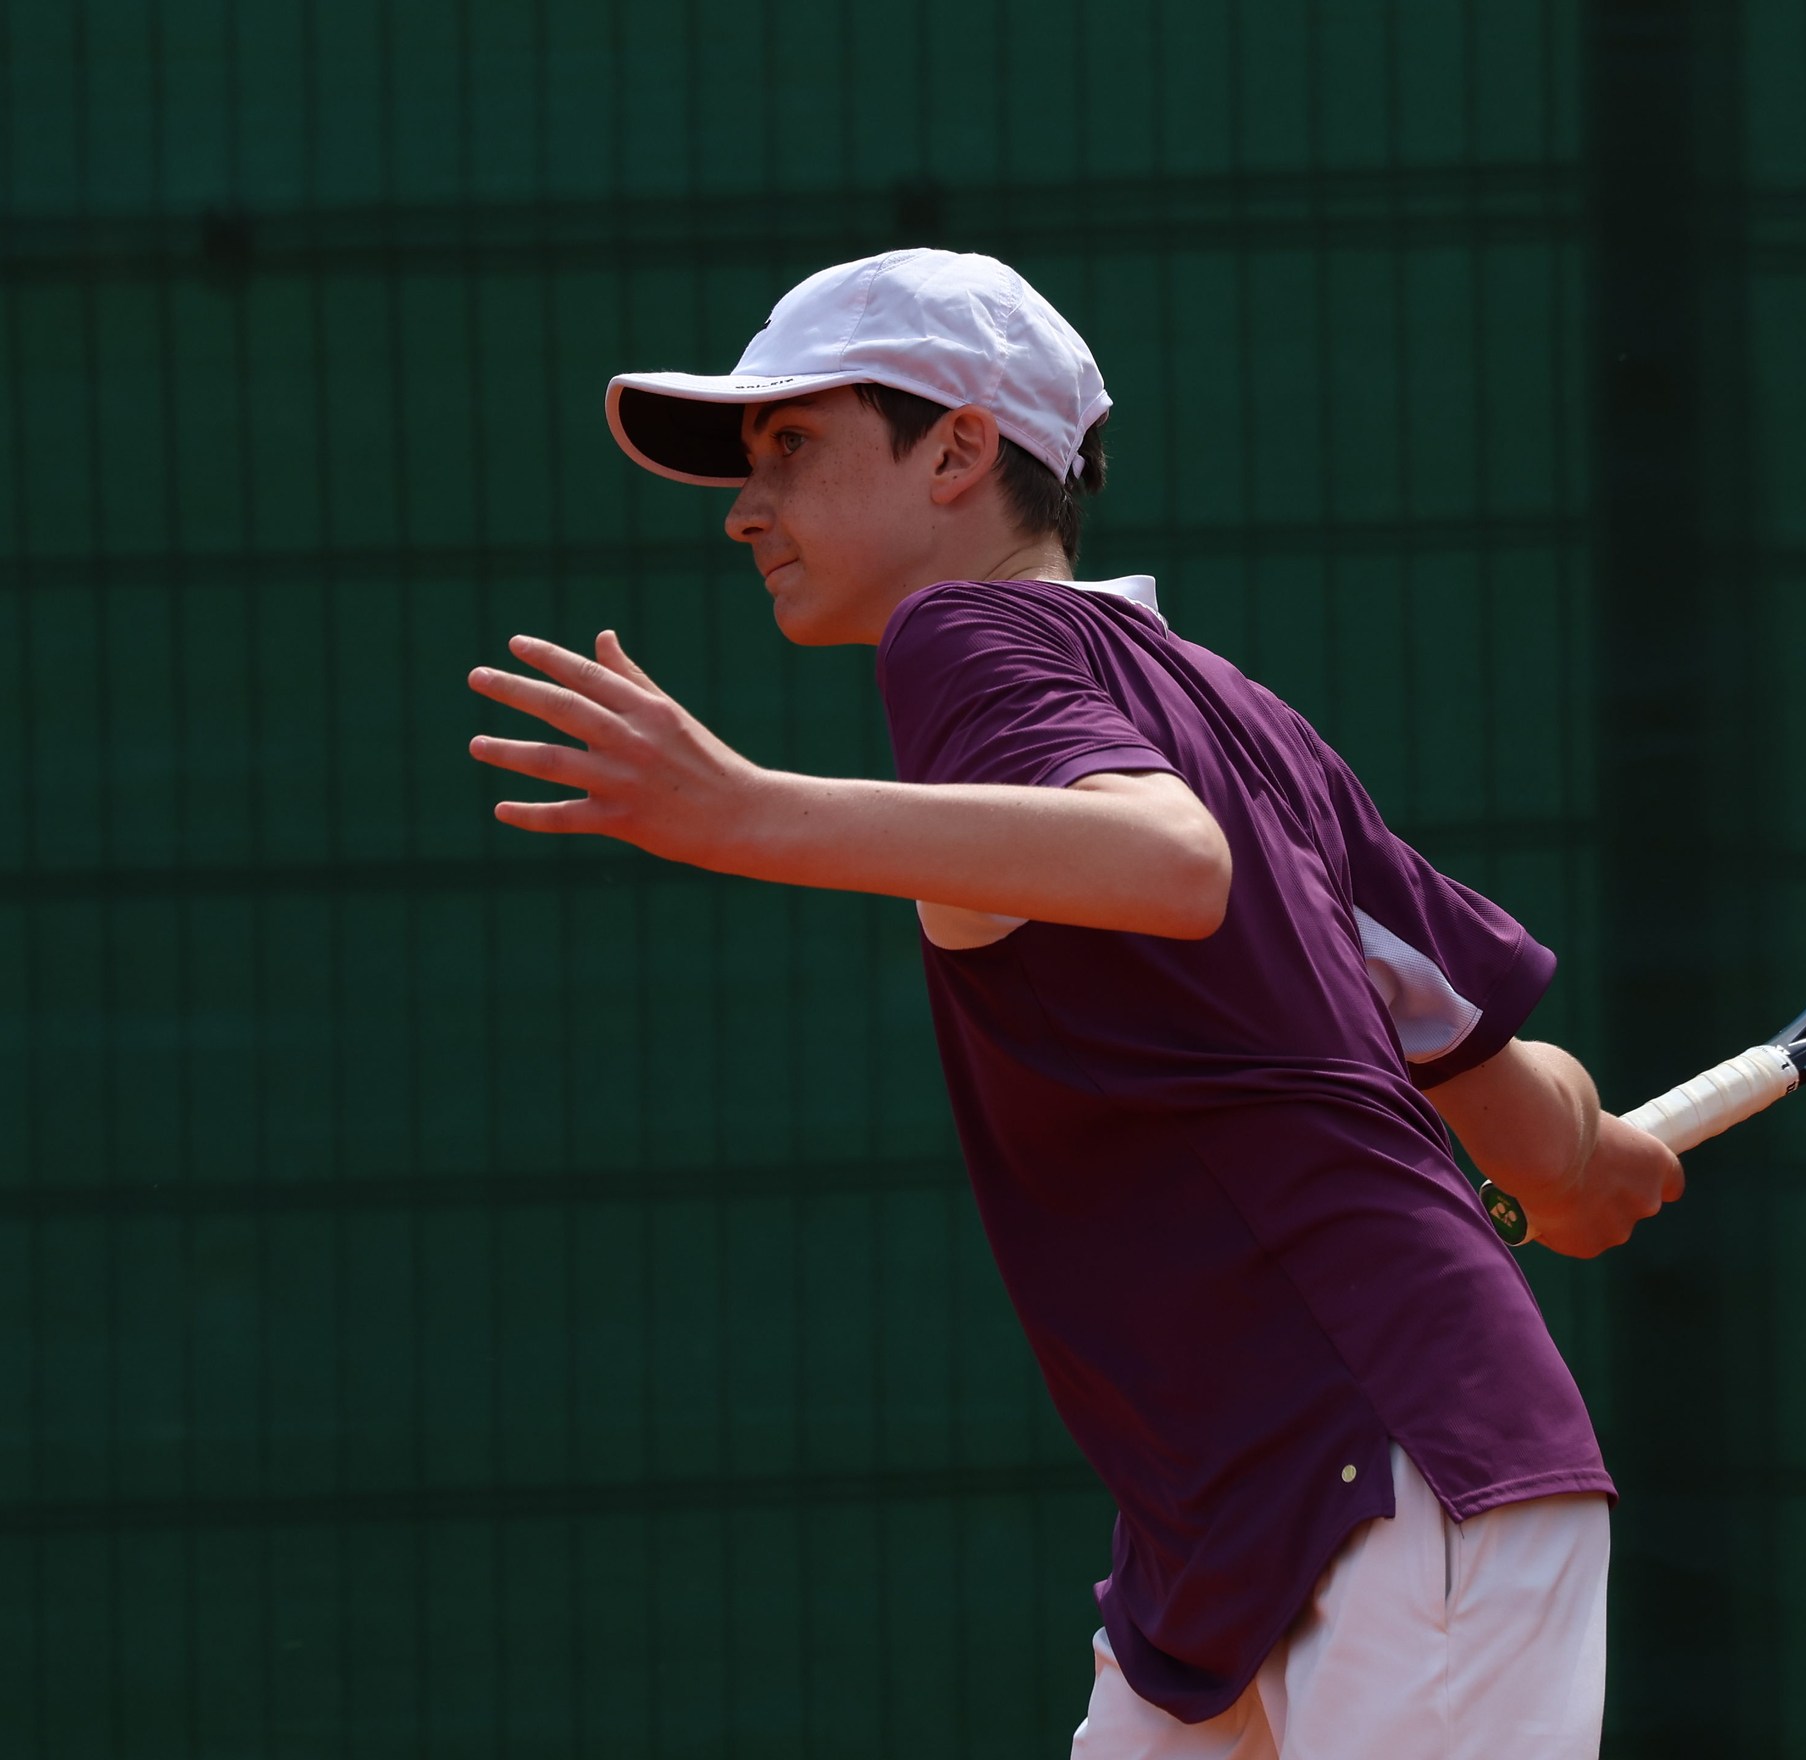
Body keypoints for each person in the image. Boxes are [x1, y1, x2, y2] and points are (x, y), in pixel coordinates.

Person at [467, 248, 1683, 1757]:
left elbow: (1169, 864)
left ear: (958, 452)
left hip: (1381, 1454)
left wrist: (741, 812)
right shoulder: (1251, 720)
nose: (744, 507)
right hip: (1241, 1511)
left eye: (790, 446)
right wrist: (1588, 1157)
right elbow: (1520, 1116)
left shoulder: (958, 635)